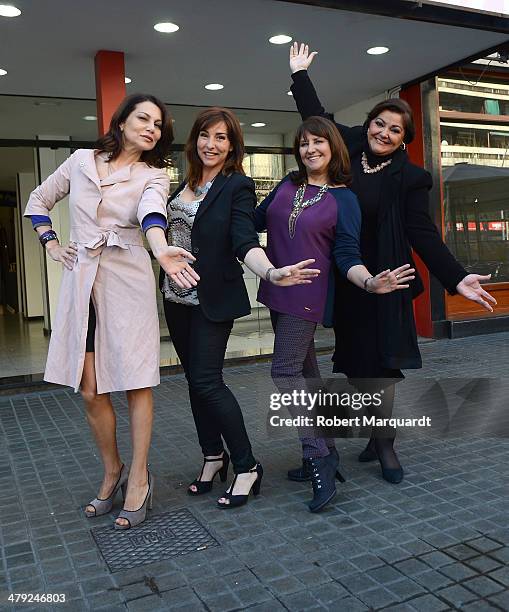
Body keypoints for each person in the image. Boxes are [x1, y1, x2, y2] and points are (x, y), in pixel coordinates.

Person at [288, 42, 496, 484]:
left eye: (395, 130)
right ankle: (370, 437)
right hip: (349, 276)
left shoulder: (411, 177)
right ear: (369, 125)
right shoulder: (349, 147)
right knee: (356, 362)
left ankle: (385, 443)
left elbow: (422, 234)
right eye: (379, 124)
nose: (384, 133)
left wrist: (456, 279)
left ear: (405, 139)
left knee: (380, 368)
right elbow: (317, 116)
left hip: (391, 279)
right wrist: (299, 74)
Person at [25, 94, 199, 529]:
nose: (151, 128)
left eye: (158, 124)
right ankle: (113, 469)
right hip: (82, 280)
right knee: (90, 388)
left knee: (137, 382)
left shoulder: (154, 175)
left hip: (127, 281)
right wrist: (49, 243)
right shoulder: (81, 161)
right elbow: (38, 200)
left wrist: (160, 250)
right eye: (143, 118)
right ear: (121, 121)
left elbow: (151, 213)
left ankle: (139, 478)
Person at [159, 107, 319, 508]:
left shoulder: (237, 186)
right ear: (194, 139)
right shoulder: (182, 186)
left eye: (221, 137)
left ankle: (247, 465)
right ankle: (213, 457)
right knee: (195, 383)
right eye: (205, 135)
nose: (211, 144)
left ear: (232, 146)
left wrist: (271, 272)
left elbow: (244, 240)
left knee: (209, 382)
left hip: (213, 300)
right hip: (176, 299)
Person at [254, 115, 414, 511]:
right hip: (275, 288)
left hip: (306, 296)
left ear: (333, 148)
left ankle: (317, 456)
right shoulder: (286, 185)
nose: (310, 149)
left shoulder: (344, 198)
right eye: (304, 143)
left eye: (318, 142)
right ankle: (327, 447)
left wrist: (370, 282)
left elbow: (346, 254)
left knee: (285, 372)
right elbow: (253, 222)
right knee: (306, 373)